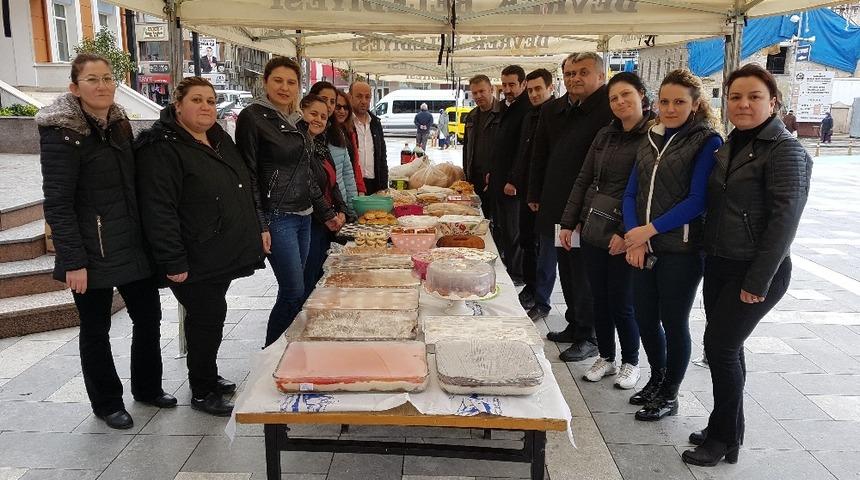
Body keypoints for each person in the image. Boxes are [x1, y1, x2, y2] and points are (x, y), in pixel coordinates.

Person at [683, 64, 812, 467]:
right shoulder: (732, 143)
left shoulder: (786, 151)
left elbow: (784, 224)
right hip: (721, 262)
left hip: (756, 269)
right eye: (735, 97)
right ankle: (728, 429)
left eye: (754, 97)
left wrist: (758, 280)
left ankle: (723, 437)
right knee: (727, 347)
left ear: (773, 102)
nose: (743, 104)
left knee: (719, 348)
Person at [37, 53, 172, 430]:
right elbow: (58, 203)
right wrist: (73, 260)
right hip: (90, 250)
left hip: (131, 243)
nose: (102, 86)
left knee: (149, 318)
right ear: (74, 87)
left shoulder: (119, 123)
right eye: (92, 79)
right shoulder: (62, 132)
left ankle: (148, 387)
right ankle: (107, 402)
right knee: (96, 330)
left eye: (108, 78)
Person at [135, 76, 264, 416]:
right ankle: (203, 391)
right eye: (196, 100)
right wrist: (173, 260)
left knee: (210, 316)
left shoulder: (217, 136)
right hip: (192, 253)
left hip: (218, 250)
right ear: (177, 105)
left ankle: (207, 374)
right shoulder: (161, 147)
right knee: (207, 316)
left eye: (210, 100)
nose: (206, 106)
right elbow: (159, 208)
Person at [622, 69, 723, 421]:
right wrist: (635, 237)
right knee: (645, 317)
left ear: (695, 104)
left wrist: (648, 231)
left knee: (673, 321)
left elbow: (698, 200)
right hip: (644, 247)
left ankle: (670, 394)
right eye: (664, 101)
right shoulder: (650, 138)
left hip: (681, 250)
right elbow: (631, 192)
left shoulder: (707, 141)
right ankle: (657, 378)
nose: (670, 108)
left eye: (679, 102)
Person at [559, 72, 655, 389]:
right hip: (593, 227)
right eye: (614, 98)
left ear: (642, 95)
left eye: (626, 94)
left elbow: (647, 192)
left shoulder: (652, 137)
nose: (620, 102)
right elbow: (584, 178)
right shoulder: (605, 134)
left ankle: (631, 361)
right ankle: (606, 355)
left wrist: (626, 232)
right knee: (597, 298)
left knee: (622, 301)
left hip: (625, 233)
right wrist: (570, 221)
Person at [235, 57, 340, 347]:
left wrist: (327, 213)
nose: (284, 87)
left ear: (298, 86)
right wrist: (261, 223)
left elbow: (306, 175)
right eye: (278, 81)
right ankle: (271, 352)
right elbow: (249, 174)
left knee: (299, 288)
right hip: (278, 216)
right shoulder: (253, 117)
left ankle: (290, 349)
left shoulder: (296, 120)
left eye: (291, 82)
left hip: (304, 215)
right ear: (265, 82)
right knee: (293, 290)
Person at [528, 52, 613, 362]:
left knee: (585, 272)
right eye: (570, 73)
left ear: (600, 76)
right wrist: (535, 192)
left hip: (589, 208)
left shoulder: (609, 109)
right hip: (557, 203)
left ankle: (590, 335)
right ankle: (575, 323)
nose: (575, 78)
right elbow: (540, 154)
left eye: (583, 72)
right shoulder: (554, 109)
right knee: (565, 265)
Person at [512, 68, 555, 312]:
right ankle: (530, 287)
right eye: (530, 90)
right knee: (527, 241)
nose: (534, 94)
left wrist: (538, 193)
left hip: (546, 195)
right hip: (527, 192)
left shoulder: (555, 114)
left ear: (550, 87)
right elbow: (524, 153)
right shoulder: (530, 115)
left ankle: (541, 298)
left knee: (543, 249)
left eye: (538, 89)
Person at [300, 94, 348, 299]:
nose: (318, 119)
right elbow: (310, 187)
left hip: (326, 220)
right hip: (311, 221)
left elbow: (332, 182)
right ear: (301, 112)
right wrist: (329, 215)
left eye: (323, 116)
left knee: (321, 273)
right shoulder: (300, 145)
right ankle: (301, 315)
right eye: (313, 114)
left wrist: (342, 210)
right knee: (307, 280)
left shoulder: (320, 145)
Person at [489, 65, 530, 284]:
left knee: (513, 230)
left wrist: (513, 180)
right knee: (503, 227)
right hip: (499, 179)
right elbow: (500, 145)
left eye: (512, 85)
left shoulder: (526, 109)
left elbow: (523, 149)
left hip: (512, 184)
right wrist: (492, 172)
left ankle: (518, 274)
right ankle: (510, 267)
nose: (507, 89)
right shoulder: (507, 107)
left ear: (523, 84)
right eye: (504, 85)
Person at [309, 81, 359, 216]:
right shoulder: (307, 134)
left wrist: (351, 210)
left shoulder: (338, 133)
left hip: (339, 208)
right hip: (316, 212)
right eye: (324, 99)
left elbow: (348, 174)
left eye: (332, 102)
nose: (328, 105)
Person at [463, 74, 503, 217]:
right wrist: (466, 174)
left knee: (497, 219)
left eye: (482, 91)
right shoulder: (471, 116)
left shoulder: (504, 113)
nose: (478, 96)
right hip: (474, 177)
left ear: (491, 89)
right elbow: (466, 147)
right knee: (476, 215)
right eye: (475, 93)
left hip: (496, 177)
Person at [349, 81, 388, 193]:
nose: (364, 101)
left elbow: (382, 157)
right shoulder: (346, 124)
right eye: (359, 96)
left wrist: (383, 187)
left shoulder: (375, 123)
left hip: (374, 184)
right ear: (350, 97)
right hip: (353, 184)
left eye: (367, 97)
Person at [334, 90, 366, 195]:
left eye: (346, 107)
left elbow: (355, 163)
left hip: (349, 190)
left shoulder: (350, 131)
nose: (342, 111)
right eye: (338, 107)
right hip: (337, 194)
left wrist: (360, 189)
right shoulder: (325, 134)